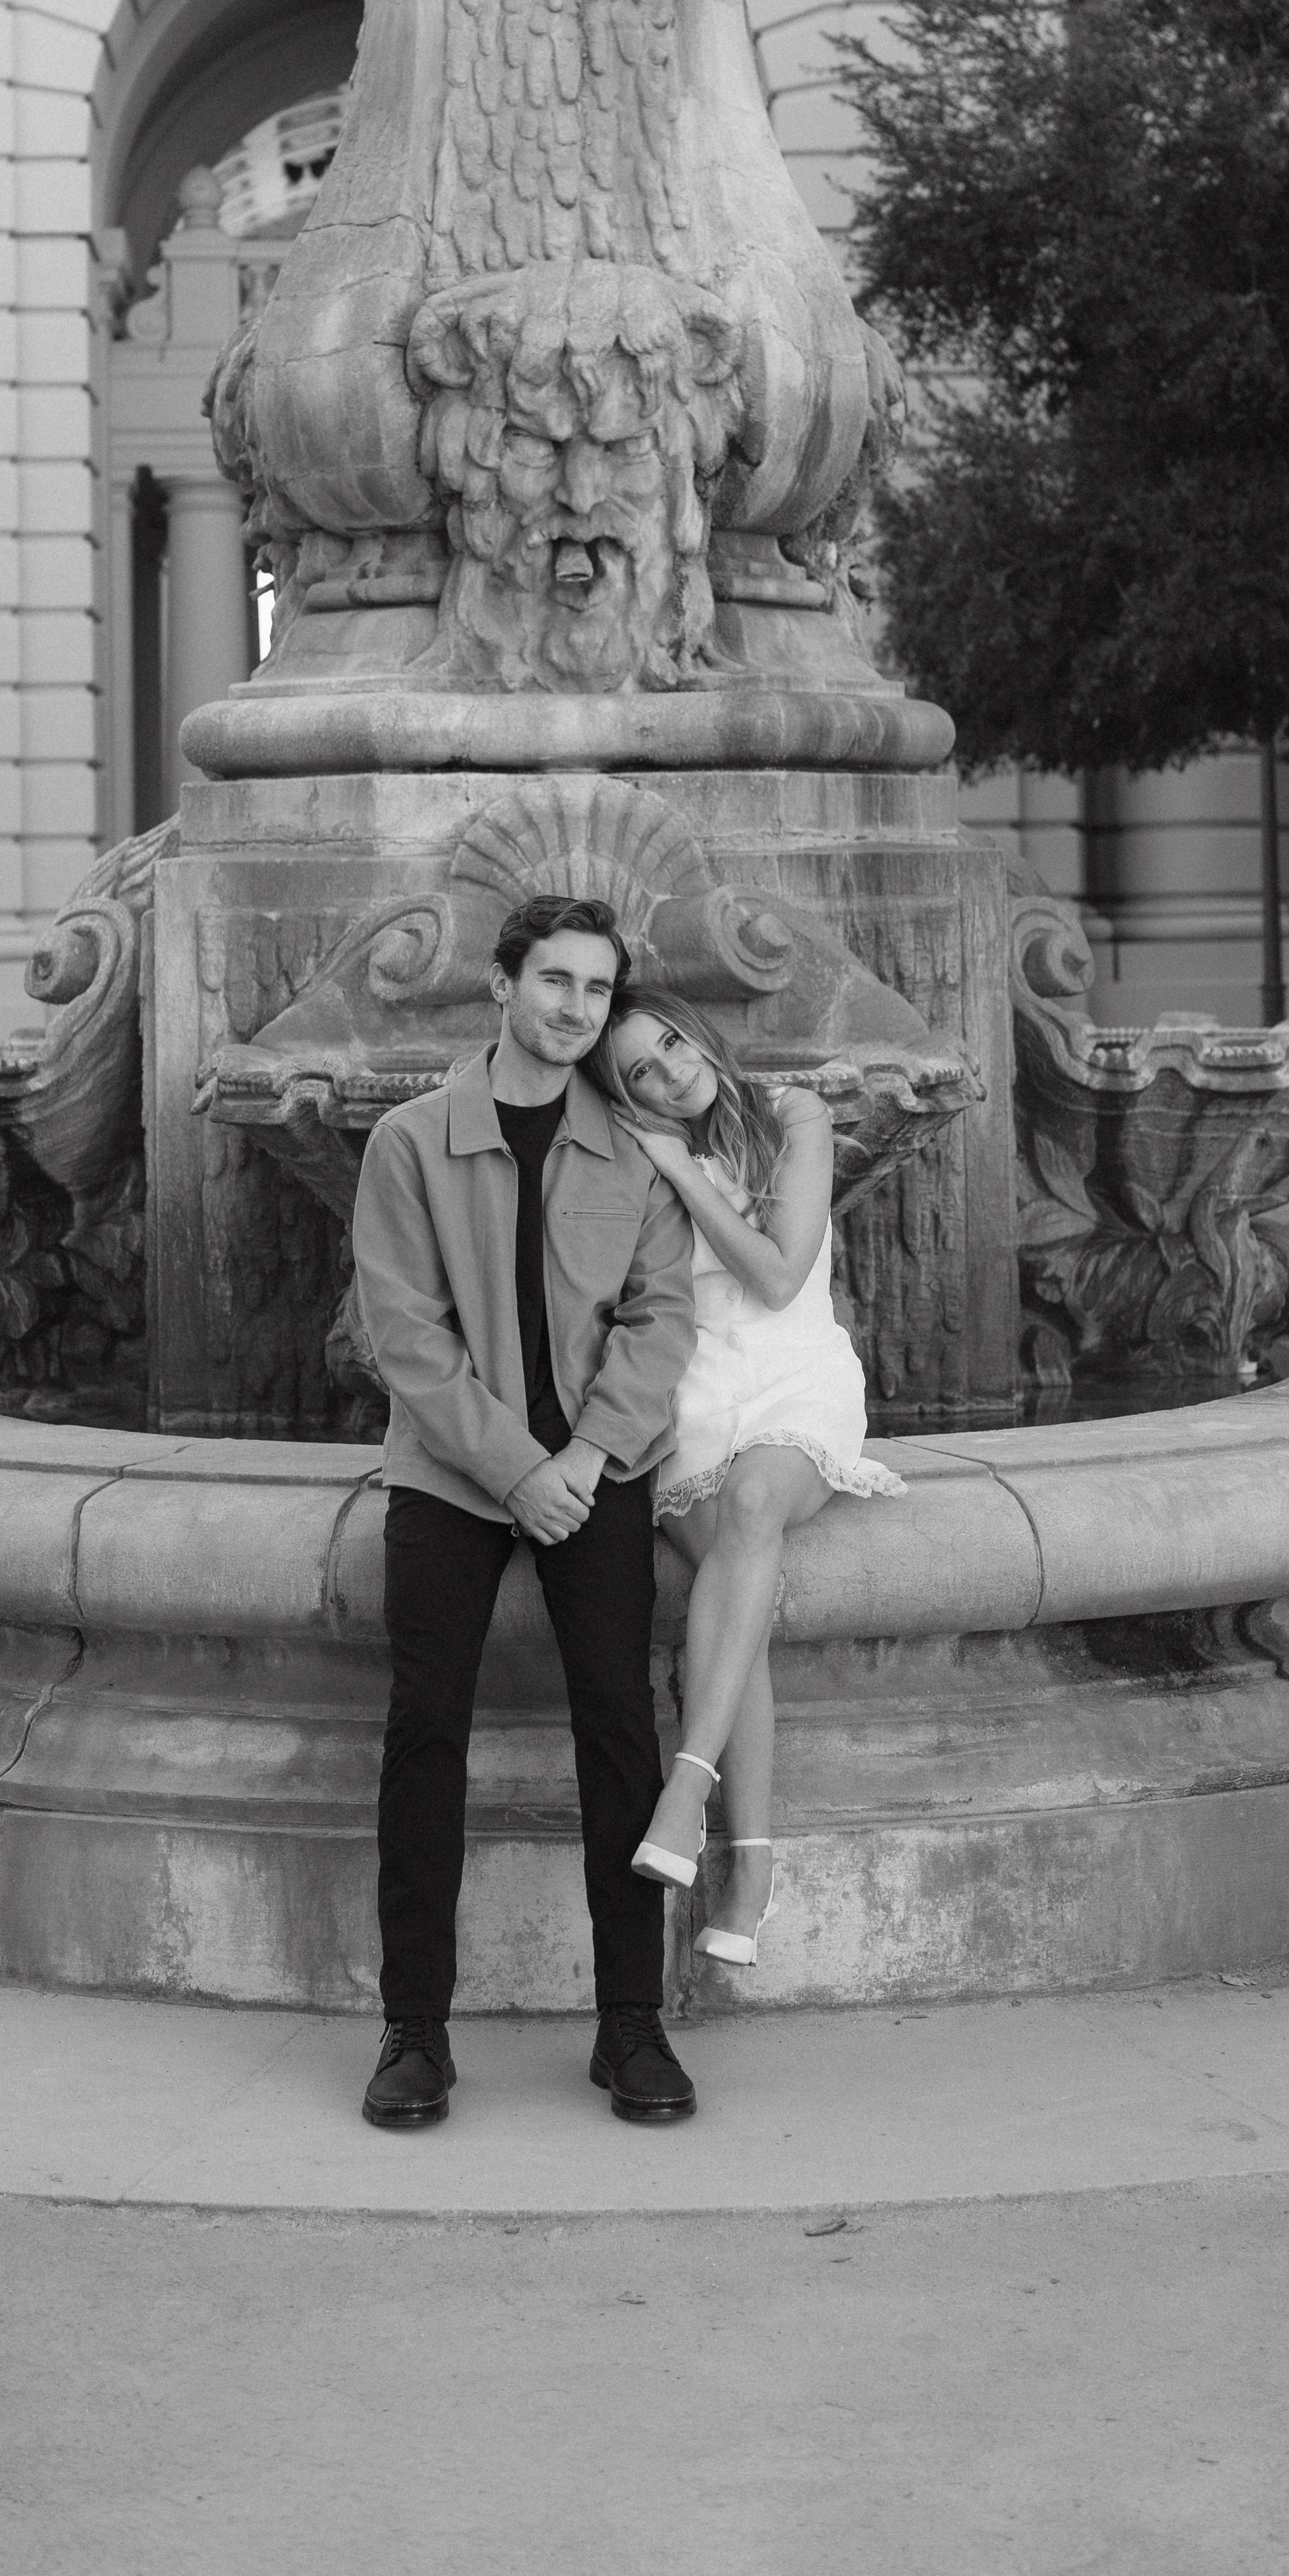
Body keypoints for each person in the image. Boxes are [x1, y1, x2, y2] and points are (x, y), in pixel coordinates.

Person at [350, 893, 701, 2133]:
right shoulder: (410, 1142)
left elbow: (664, 1317)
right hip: (454, 1471)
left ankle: (630, 2024)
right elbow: (404, 1333)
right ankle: (415, 2034)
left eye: (597, 991)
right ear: (503, 987)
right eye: (555, 982)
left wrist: (592, 1452)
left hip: (601, 1470)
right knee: (422, 1731)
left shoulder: (634, 1147)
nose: (575, 1010)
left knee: (620, 1728)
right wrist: (517, 1468)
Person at [588, 987, 904, 1966]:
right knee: (740, 1593)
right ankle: (752, 1867)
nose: (672, 1070)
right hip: (692, 1395)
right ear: (626, 1092)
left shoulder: (791, 1118)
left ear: (701, 1034)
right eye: (643, 1069)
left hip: (796, 1375)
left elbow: (775, 1276)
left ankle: (685, 1794)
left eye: (673, 1043)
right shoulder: (630, 1151)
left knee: (757, 1507)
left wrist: (685, 1175)